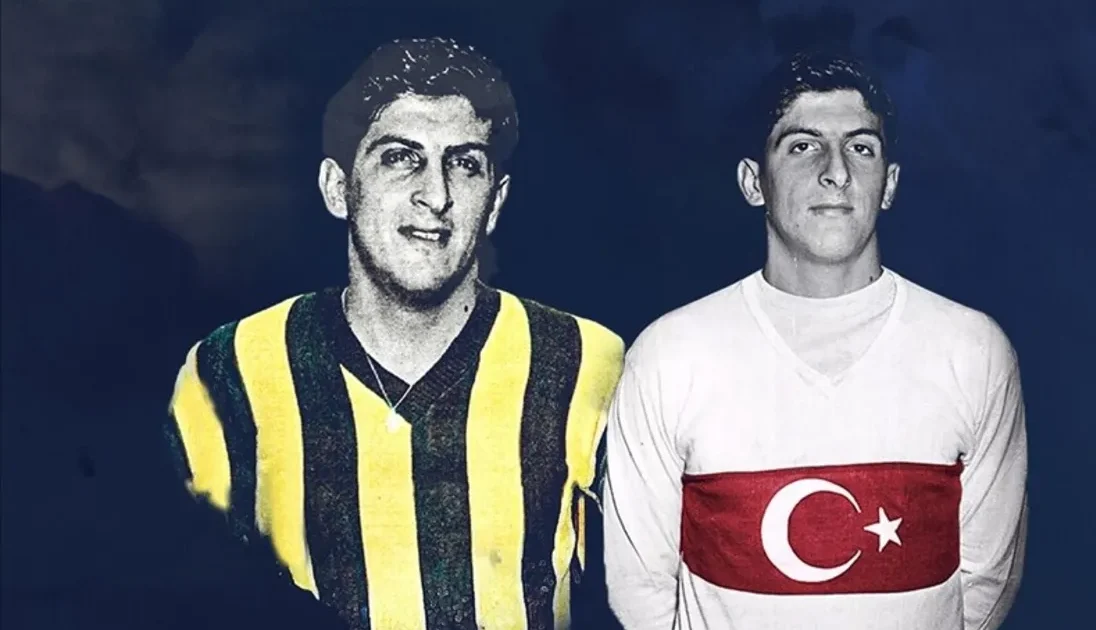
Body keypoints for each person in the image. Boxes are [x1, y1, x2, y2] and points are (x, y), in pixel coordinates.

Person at [164, 37, 624, 630]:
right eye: (400, 157)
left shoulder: (587, 362)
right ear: (337, 188)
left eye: (464, 163)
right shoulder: (229, 369)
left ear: (495, 202)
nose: (435, 195)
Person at [603, 51, 1028, 630]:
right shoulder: (670, 354)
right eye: (803, 146)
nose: (837, 172)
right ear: (754, 181)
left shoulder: (973, 349)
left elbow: (984, 582)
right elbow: (641, 590)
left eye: (861, 147)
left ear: (889, 184)